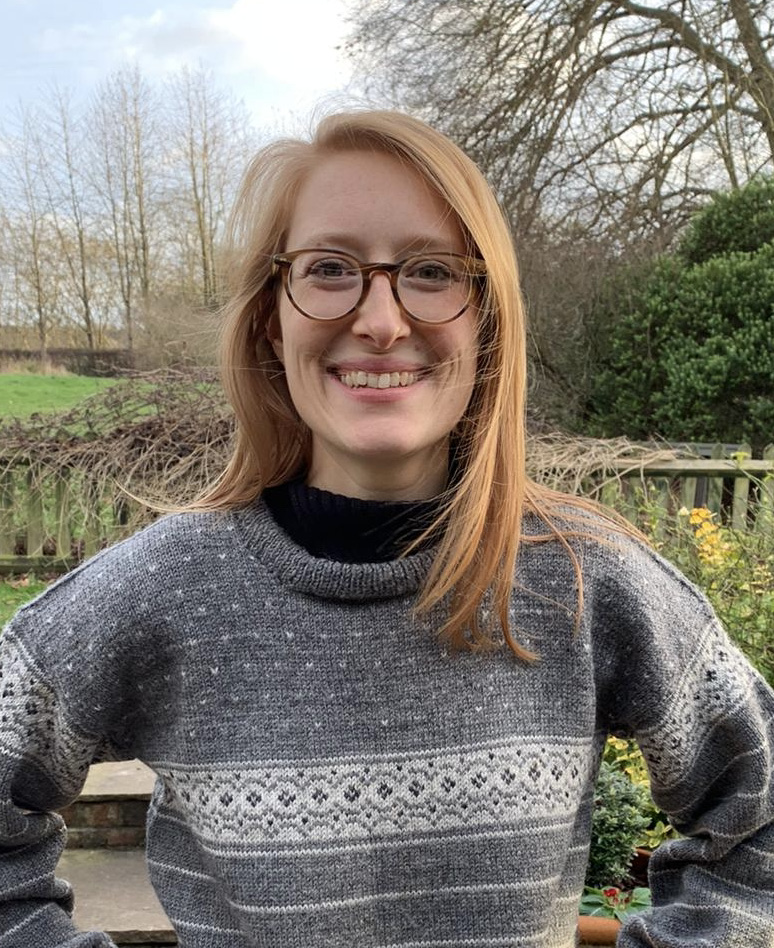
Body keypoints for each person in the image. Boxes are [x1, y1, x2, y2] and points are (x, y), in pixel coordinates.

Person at [1, 110, 773, 948]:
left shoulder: (588, 577)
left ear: (485, 318)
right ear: (273, 315)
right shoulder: (156, 591)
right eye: (330, 268)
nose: (380, 319)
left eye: (432, 270)